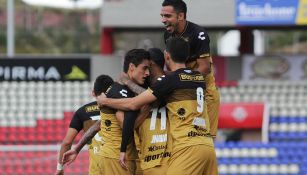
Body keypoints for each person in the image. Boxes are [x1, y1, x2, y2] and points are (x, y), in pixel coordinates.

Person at [97, 37, 218, 175]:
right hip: (207, 145)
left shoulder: (169, 81)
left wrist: (106, 100)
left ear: (168, 56)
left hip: (185, 147)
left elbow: (132, 104)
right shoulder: (199, 78)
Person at [62, 49, 151, 175]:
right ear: (131, 67)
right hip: (118, 160)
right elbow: (125, 124)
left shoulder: (118, 89)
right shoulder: (121, 92)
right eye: (144, 68)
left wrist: (77, 148)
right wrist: (145, 110)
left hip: (110, 157)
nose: (147, 73)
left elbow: (99, 125)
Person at [161, 0, 220, 138]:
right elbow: (173, 65)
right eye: (162, 16)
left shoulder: (198, 34)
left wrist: (182, 80)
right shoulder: (167, 35)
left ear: (180, 16)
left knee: (206, 138)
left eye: (168, 16)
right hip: (182, 91)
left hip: (204, 92)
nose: (163, 20)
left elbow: (204, 68)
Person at [119, 48, 171, 175]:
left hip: (161, 158)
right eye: (144, 68)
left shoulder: (167, 84)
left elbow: (154, 97)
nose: (146, 72)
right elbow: (128, 124)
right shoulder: (145, 87)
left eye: (147, 67)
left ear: (151, 64)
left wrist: (127, 82)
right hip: (146, 158)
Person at [55, 74, 114, 175]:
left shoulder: (82, 112)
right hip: (119, 165)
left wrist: (60, 168)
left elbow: (67, 142)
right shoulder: (122, 108)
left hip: (97, 170)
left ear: (93, 93)